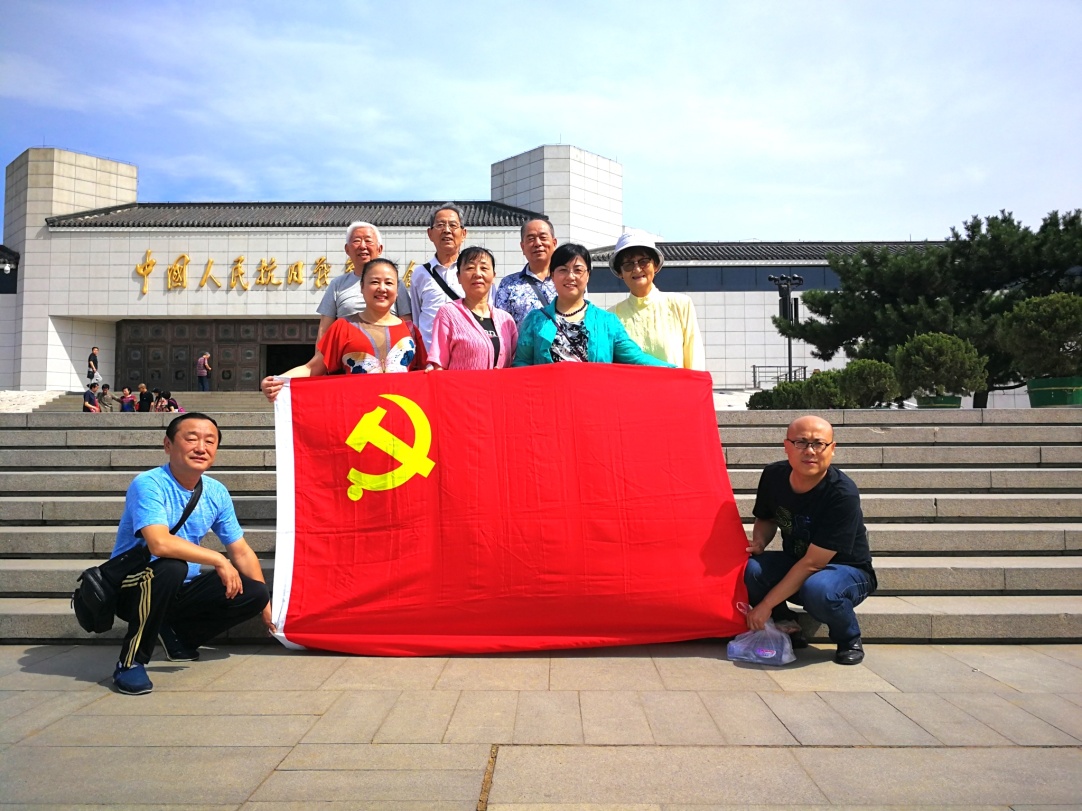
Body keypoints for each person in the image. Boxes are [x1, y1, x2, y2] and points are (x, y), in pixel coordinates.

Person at [109, 413, 272, 695]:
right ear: (168, 445)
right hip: (130, 585)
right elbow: (159, 544)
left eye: (210, 441)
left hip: (179, 588)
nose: (201, 448)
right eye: (192, 439)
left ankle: (177, 636)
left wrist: (266, 608)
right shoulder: (149, 484)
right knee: (172, 566)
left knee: (254, 592)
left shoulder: (216, 492)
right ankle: (130, 662)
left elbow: (241, 551)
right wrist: (218, 559)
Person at [744, 415, 877, 665]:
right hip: (798, 560)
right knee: (751, 569)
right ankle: (786, 623)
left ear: (832, 449)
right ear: (786, 446)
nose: (810, 451)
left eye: (819, 444)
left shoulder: (842, 493)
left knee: (818, 588)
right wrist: (760, 542)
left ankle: (848, 638)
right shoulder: (774, 475)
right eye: (801, 442)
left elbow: (813, 564)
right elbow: (766, 517)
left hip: (846, 571)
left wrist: (764, 605)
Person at [260, 258, 427, 402]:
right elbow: (313, 368)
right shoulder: (343, 327)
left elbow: (426, 377)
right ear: (362, 287)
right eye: (374, 282)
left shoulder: (411, 331)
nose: (382, 288)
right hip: (358, 417)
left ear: (397, 291)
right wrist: (277, 381)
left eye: (389, 283)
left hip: (402, 415)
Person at [513, 244, 673, 368]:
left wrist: (676, 371)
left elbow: (636, 358)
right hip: (550, 400)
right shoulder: (535, 320)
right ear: (552, 275)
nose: (570, 276)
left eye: (578, 270)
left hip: (593, 400)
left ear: (588, 275)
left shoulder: (607, 322)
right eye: (563, 270)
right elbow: (521, 365)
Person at [608, 232, 705, 370]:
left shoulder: (680, 305)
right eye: (628, 264)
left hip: (674, 384)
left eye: (643, 261)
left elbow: (695, 362)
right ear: (620, 272)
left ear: (655, 265)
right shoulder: (611, 316)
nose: (637, 269)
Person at [427, 247, 518, 371]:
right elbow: (439, 365)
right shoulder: (448, 314)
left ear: (494, 276)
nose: (477, 274)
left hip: (499, 384)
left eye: (484, 268)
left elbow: (515, 364)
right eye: (470, 268)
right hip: (459, 384)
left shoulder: (506, 320)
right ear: (458, 277)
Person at [407, 203, 467, 351]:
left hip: (466, 354)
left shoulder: (474, 273)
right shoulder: (420, 274)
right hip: (430, 356)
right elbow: (416, 318)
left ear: (463, 233)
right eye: (440, 225)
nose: (447, 230)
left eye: (453, 225)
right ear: (430, 234)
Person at [315, 222, 386, 340]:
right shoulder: (337, 285)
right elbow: (324, 332)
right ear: (347, 249)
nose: (362, 246)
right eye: (356, 241)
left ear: (379, 249)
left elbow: (406, 327)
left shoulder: (395, 285)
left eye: (368, 241)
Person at [493, 216, 558, 325]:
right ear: (522, 247)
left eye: (543, 237)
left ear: (554, 243)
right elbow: (501, 326)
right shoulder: (508, 284)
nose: (537, 243)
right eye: (531, 239)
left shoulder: (567, 280)